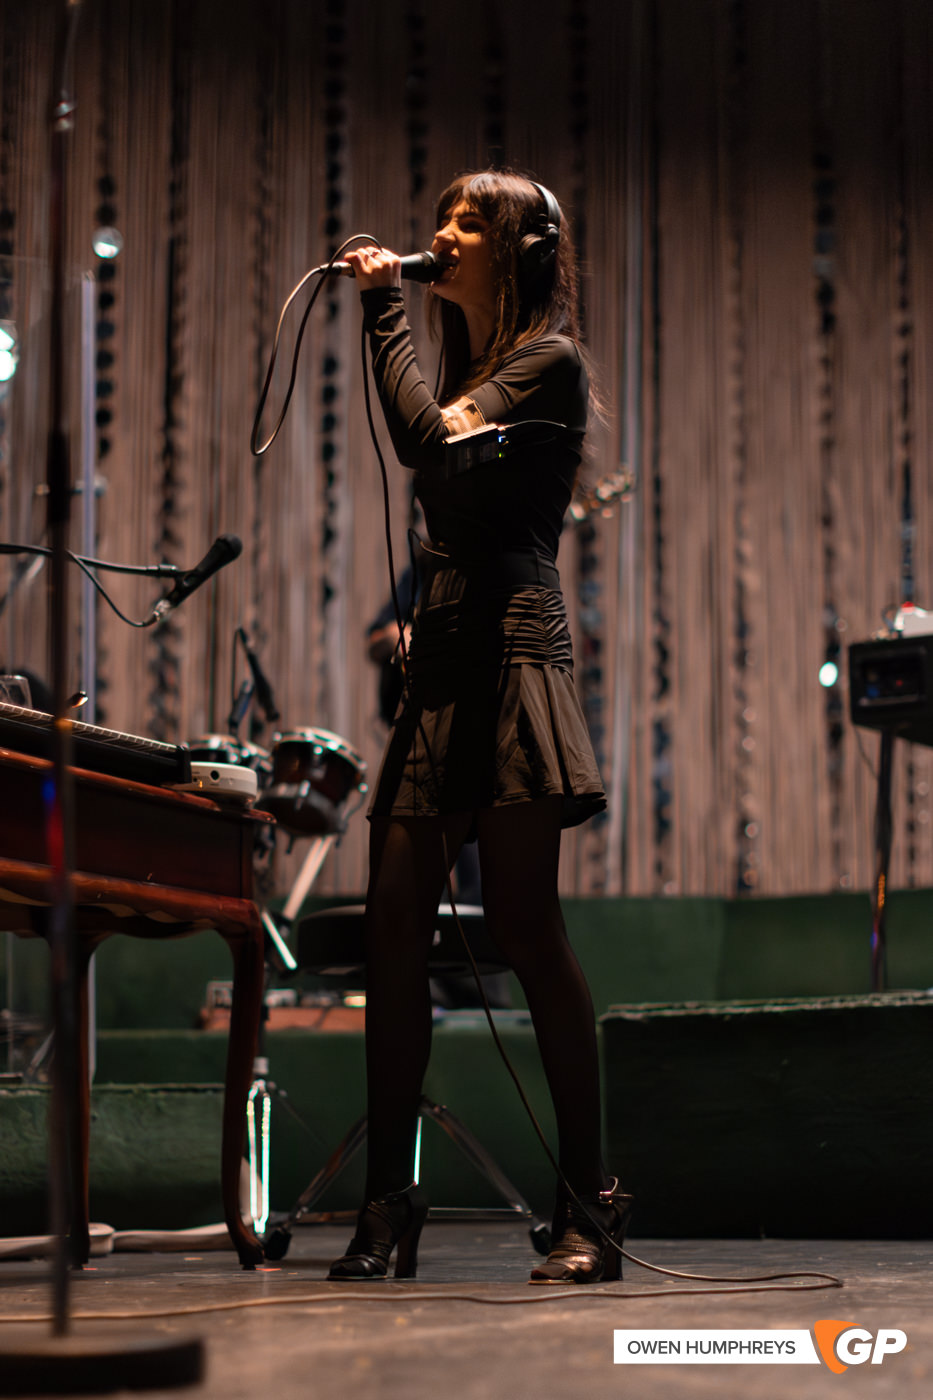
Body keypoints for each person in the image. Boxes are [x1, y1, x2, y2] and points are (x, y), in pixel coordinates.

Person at [328, 170, 631, 1285]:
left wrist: (380, 307)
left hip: (512, 654)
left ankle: (590, 1203)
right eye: (444, 216)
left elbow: (420, 439)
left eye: (469, 223)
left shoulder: (548, 362)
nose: (441, 234)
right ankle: (387, 1201)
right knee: (395, 922)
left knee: (523, 922)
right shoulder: (469, 371)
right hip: (445, 660)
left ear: (518, 251)